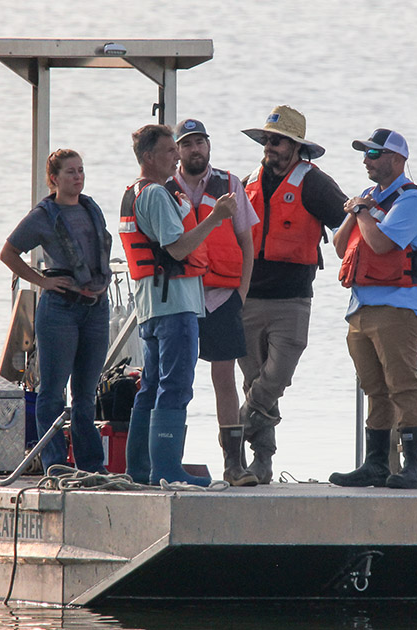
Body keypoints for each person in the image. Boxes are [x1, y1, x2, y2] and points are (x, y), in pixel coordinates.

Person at [120, 123, 235, 486]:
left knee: (152, 385)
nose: (177, 156)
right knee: (175, 385)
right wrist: (215, 218)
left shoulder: (136, 192)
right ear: (150, 157)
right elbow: (177, 248)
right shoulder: (154, 194)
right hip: (173, 307)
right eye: (170, 151)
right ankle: (167, 470)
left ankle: (140, 470)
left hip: (153, 307)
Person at [238, 105, 348, 483]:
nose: (270, 147)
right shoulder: (246, 182)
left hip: (293, 301)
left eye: (278, 140)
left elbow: (348, 222)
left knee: (274, 381)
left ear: (296, 147)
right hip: (247, 299)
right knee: (254, 381)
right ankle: (262, 462)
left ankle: (237, 427)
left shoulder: (315, 184)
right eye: (267, 140)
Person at [330, 128, 417, 489]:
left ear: (397, 160)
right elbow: (341, 246)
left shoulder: (409, 201)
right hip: (362, 308)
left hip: (399, 309)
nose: (366, 161)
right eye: (365, 154)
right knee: (374, 388)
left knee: (402, 385)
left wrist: (361, 210)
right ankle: (376, 464)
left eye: (374, 154)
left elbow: (378, 244)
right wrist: (358, 209)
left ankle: (412, 467)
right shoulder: (371, 199)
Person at [0, 149, 111, 474]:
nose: (77, 177)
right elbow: (8, 253)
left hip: (95, 308)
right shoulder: (43, 215)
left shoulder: (91, 208)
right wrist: (42, 282)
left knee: (86, 394)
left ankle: (91, 466)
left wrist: (99, 284)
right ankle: (55, 464)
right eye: (70, 172)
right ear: (54, 179)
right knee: (51, 392)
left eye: (80, 171)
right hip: (60, 310)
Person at [165, 119, 259, 486]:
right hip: (179, 298)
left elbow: (246, 242)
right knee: (174, 379)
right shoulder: (164, 188)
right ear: (177, 151)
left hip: (222, 298)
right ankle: (168, 460)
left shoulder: (230, 184)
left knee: (224, 377)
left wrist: (242, 293)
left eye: (200, 142)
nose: (195, 149)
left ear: (209, 146)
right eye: (187, 144)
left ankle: (234, 465)